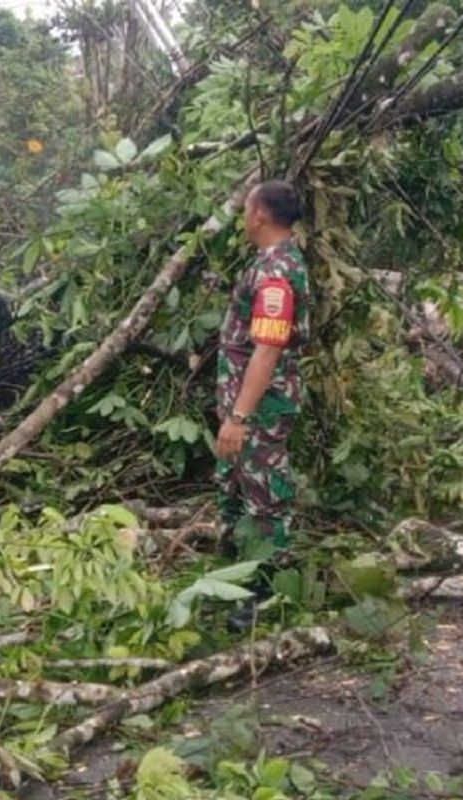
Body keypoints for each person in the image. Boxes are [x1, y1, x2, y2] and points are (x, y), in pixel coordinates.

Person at [215, 180, 310, 631]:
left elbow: (268, 350)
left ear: (260, 215)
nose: (243, 215)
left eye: (247, 207)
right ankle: (236, 578)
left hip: (261, 408)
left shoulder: (277, 272)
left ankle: (265, 594)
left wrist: (239, 416)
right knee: (238, 488)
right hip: (248, 405)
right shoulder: (268, 263)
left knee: (265, 495)